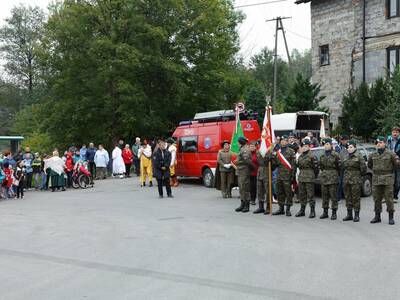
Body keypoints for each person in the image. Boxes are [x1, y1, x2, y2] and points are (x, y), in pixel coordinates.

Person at [368, 136, 400, 225]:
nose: (378, 144)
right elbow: (370, 165)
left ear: (385, 143)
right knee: (376, 199)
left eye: (381, 142)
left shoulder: (391, 154)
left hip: (387, 179)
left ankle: (391, 217)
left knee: (389, 199)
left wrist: (389, 171)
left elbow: (397, 165)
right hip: (376, 179)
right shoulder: (372, 154)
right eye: (377, 142)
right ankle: (377, 216)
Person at [342, 140, 367, 222]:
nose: (349, 149)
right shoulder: (345, 156)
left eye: (351, 147)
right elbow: (343, 167)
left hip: (356, 179)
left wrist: (358, 176)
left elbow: (363, 169)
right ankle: (349, 214)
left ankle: (356, 215)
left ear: (355, 147)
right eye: (348, 147)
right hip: (346, 179)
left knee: (356, 197)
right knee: (347, 197)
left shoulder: (359, 156)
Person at [272, 135, 297, 216]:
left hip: (287, 175)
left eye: (285, 140)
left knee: (288, 193)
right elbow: (275, 164)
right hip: (279, 175)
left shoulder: (291, 151)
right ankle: (281, 208)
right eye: (282, 140)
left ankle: (288, 209)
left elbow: (293, 165)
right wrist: (271, 158)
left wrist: (292, 176)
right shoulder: (277, 151)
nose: (283, 142)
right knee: (280, 192)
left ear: (287, 142)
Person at [295, 139, 318, 218]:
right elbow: (298, 166)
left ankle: (312, 211)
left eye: (306, 146)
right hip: (301, 177)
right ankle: (302, 210)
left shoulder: (312, 156)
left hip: (309, 177)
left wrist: (313, 175)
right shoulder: (301, 156)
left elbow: (316, 168)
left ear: (309, 147)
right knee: (302, 194)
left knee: (310, 195)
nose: (304, 148)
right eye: (303, 146)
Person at [319, 138, 341, 220]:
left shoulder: (336, 155)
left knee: (333, 196)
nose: (326, 146)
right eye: (325, 144)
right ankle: (325, 212)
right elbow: (321, 166)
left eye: (327, 144)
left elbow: (339, 166)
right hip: (324, 177)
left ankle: (334, 213)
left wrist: (335, 174)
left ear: (331, 145)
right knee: (324, 196)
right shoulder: (322, 155)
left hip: (333, 177)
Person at [253, 145, 274, 214]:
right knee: (259, 190)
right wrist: (262, 152)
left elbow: (269, 161)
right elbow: (259, 160)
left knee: (268, 191)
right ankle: (261, 207)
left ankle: (268, 207)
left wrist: (269, 153)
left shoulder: (270, 152)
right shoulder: (259, 152)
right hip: (260, 171)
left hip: (267, 171)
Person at [235, 137, 253, 213]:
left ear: (241, 142)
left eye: (238, 142)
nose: (237, 144)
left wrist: (238, 162)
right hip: (240, 170)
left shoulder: (245, 149)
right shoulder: (242, 148)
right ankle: (242, 203)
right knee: (241, 188)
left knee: (245, 188)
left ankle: (246, 205)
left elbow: (247, 160)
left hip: (244, 170)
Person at [386, 127, 400, 202]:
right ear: (391, 132)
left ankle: (395, 196)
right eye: (393, 132)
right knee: (388, 180)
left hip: (398, 163)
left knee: (397, 181)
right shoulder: (388, 140)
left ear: (399, 133)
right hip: (389, 162)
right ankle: (388, 196)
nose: (395, 133)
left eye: (396, 132)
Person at [337, 134, 349, 200]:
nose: (342, 141)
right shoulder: (338, 147)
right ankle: (339, 196)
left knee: (346, 182)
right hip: (341, 167)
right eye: (341, 140)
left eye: (343, 140)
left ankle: (346, 195)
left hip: (347, 166)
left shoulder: (349, 146)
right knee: (340, 182)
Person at [249, 141, 259, 205]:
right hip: (248, 173)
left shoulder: (257, 153)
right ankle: (249, 198)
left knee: (254, 187)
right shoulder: (247, 153)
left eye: (253, 146)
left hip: (255, 173)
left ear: (255, 147)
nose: (251, 148)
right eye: (250, 146)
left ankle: (253, 199)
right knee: (249, 187)